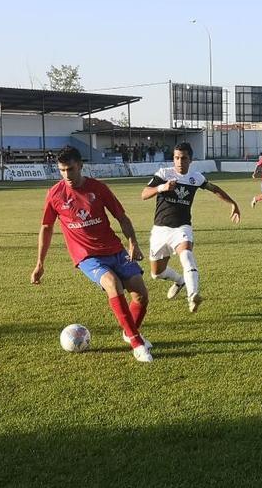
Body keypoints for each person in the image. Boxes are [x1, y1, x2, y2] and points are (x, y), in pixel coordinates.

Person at [30, 146, 153, 363]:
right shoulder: (55, 194)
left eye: (70, 169)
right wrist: (40, 263)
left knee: (141, 294)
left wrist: (132, 242)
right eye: (62, 170)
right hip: (87, 256)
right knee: (112, 284)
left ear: (80, 166)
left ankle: (129, 331)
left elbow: (121, 217)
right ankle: (137, 343)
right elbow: (46, 228)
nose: (66, 175)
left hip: (114, 249)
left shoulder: (99, 188)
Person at [141, 142, 240, 312]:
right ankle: (180, 281)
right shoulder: (164, 174)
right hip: (160, 230)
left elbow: (214, 188)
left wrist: (233, 203)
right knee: (156, 273)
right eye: (176, 158)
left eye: (184, 158)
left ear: (190, 160)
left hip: (182, 227)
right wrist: (162, 187)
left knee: (187, 256)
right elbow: (144, 194)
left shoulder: (196, 178)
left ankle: (193, 295)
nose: (180, 161)